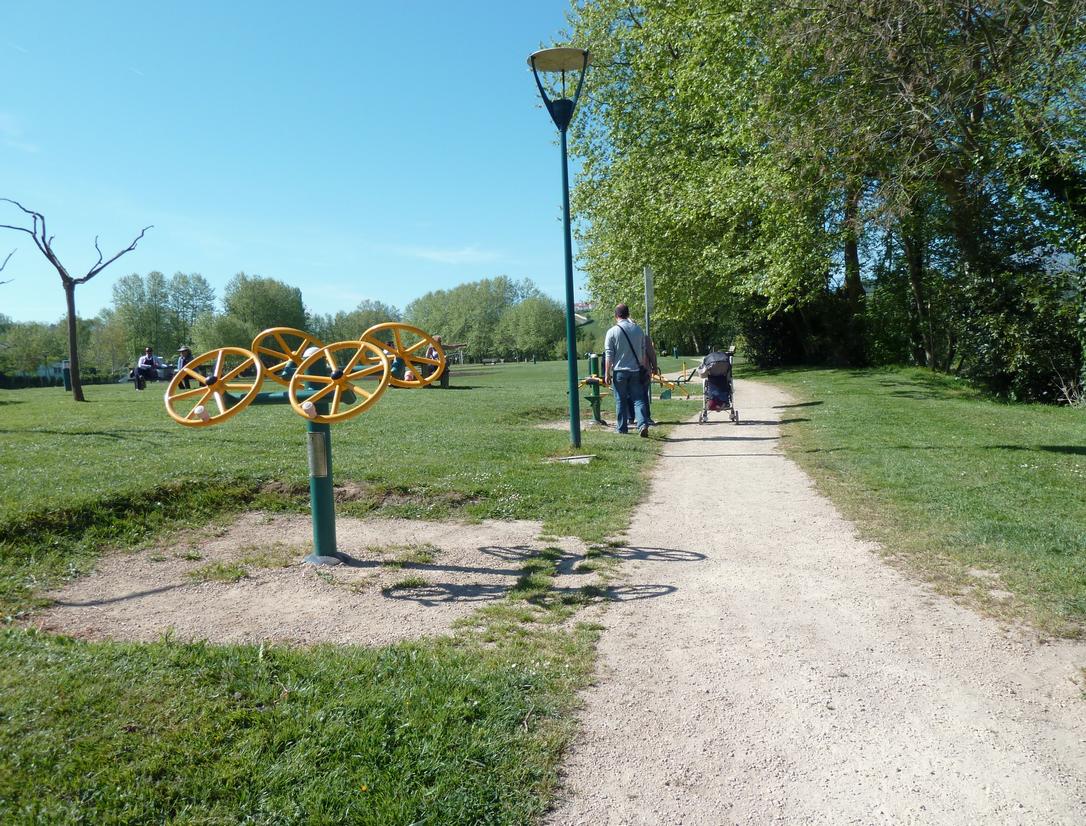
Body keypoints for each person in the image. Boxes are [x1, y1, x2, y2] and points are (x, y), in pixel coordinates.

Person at [604, 303, 650, 437]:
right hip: (635, 370)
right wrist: (642, 366)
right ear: (628, 314)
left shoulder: (612, 331)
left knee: (620, 399)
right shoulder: (638, 329)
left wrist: (607, 373)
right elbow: (643, 351)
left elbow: (609, 354)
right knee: (639, 399)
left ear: (616, 315)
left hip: (619, 371)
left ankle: (622, 428)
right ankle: (642, 424)